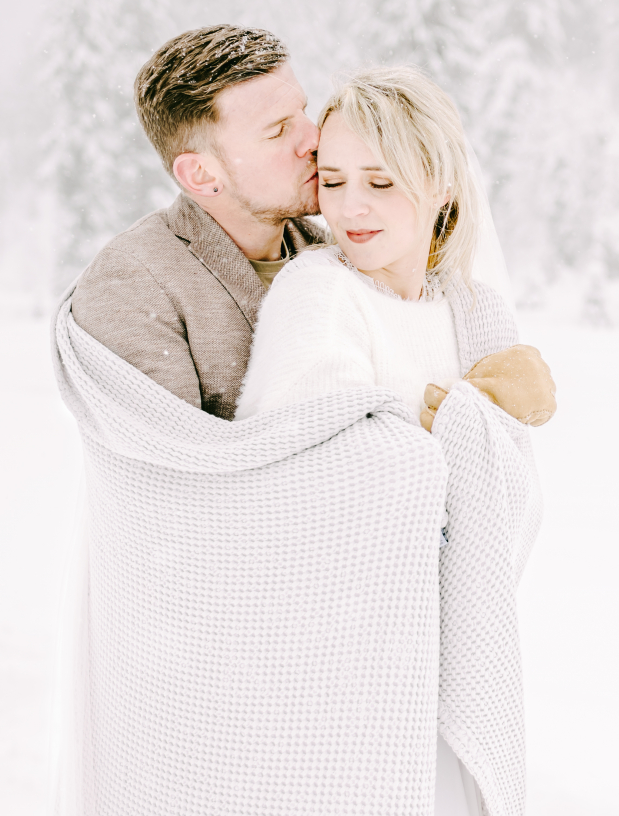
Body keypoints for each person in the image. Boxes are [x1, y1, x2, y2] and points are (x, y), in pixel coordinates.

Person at [235, 66, 547, 815]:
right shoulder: (319, 293)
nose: (349, 208)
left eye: (380, 181)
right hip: (349, 670)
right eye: (334, 180)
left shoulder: (474, 312)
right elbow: (323, 474)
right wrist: (466, 419)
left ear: (440, 182)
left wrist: (469, 424)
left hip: (454, 647)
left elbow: (521, 506)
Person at [71, 24, 553, 424]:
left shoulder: (334, 248)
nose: (313, 137)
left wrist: (496, 384)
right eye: (278, 129)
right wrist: (451, 422)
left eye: (302, 110)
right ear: (202, 173)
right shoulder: (132, 286)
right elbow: (183, 474)